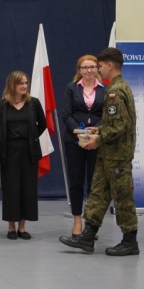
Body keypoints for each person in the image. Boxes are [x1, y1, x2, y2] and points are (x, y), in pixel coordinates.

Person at [60, 47, 139, 256]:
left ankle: (130, 240)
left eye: (100, 66)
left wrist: (98, 139)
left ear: (109, 65)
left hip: (118, 155)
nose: (98, 70)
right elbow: (116, 123)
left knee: (122, 196)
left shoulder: (115, 91)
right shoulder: (118, 87)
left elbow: (120, 125)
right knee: (98, 194)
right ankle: (88, 236)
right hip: (108, 154)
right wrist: (100, 130)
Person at [0, 71, 47, 240]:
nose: (25, 86)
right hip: (9, 151)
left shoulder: (34, 103)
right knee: (11, 189)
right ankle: (11, 227)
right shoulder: (1, 105)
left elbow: (43, 124)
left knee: (27, 188)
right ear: (12, 85)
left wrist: (30, 137)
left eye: (26, 83)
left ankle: (22, 227)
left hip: (29, 151)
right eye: (21, 83)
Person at [61, 55, 105, 236]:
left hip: (97, 141)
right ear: (79, 70)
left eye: (92, 67)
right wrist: (81, 133)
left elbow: (107, 115)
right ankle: (77, 220)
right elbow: (66, 115)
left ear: (98, 69)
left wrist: (96, 131)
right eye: (85, 67)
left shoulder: (105, 89)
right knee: (76, 181)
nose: (89, 70)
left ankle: (91, 223)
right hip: (74, 141)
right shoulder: (71, 88)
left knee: (94, 183)